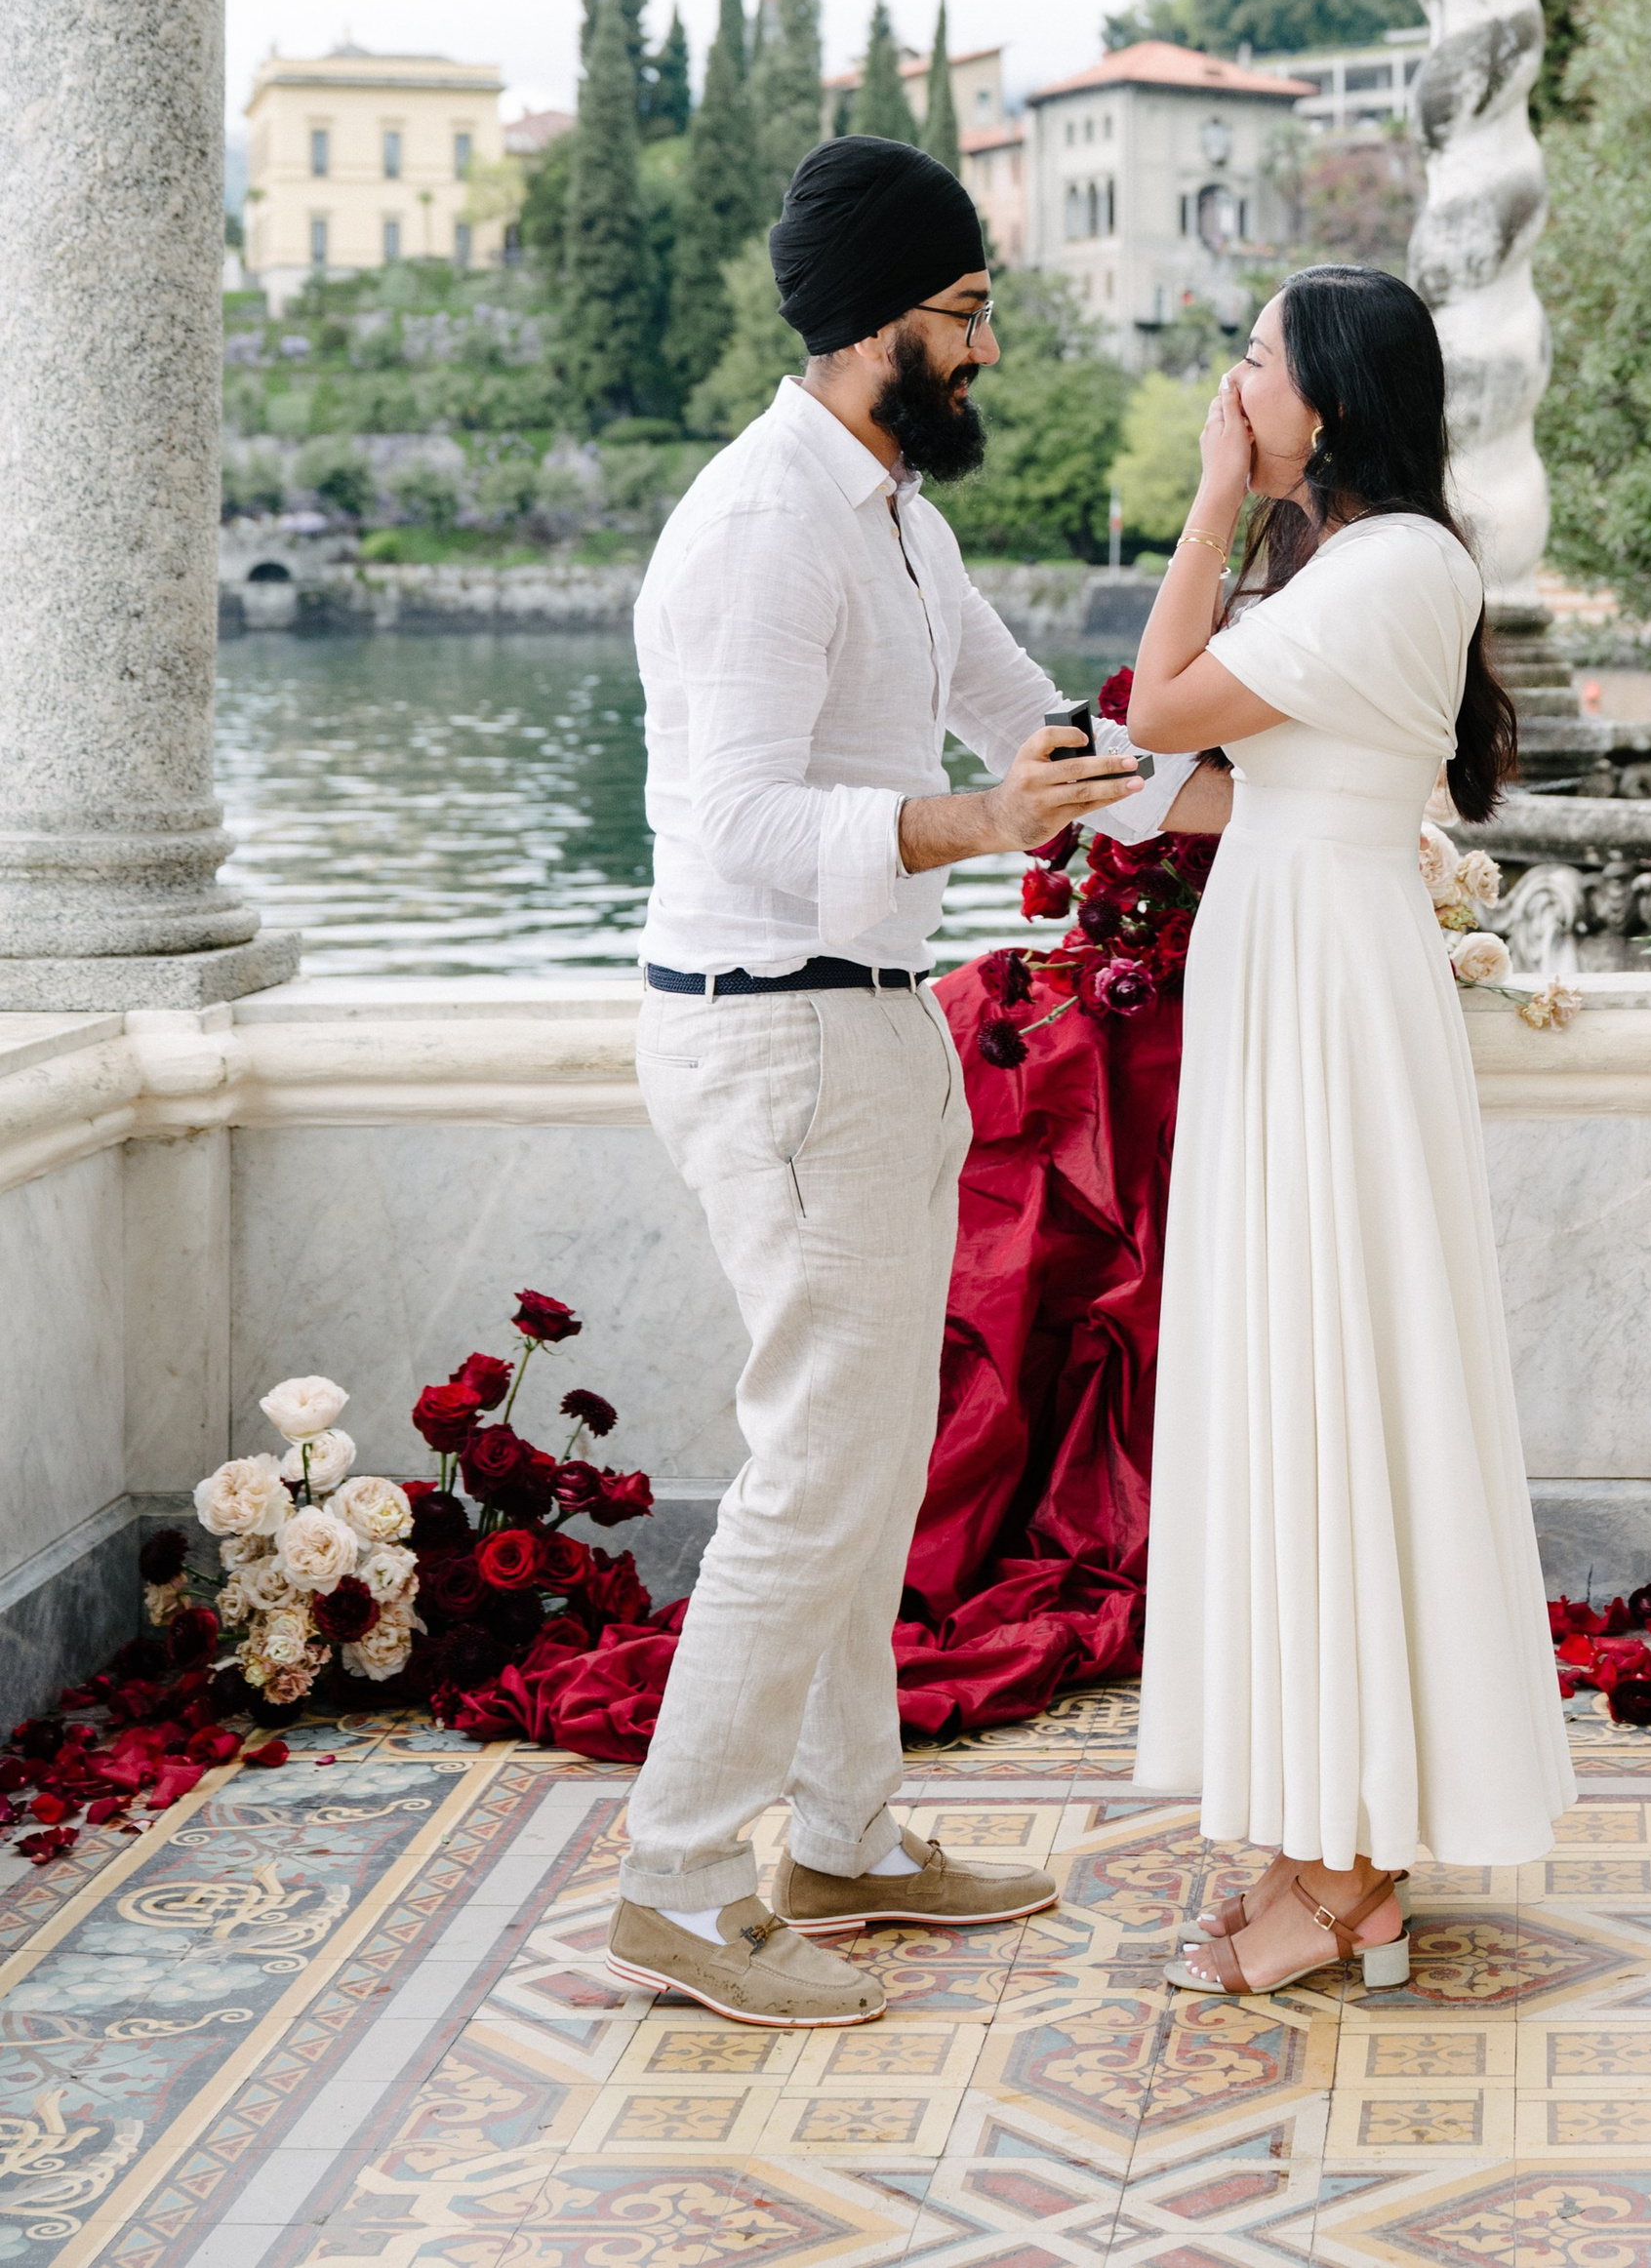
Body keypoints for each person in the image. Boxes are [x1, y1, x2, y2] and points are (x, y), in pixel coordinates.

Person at [606, 135, 1147, 2031]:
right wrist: (977, 821)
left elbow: (1021, 708)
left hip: (865, 1022)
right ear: (873, 326)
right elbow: (734, 820)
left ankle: (840, 1832)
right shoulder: (761, 525)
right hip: (771, 1031)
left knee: (863, 1461)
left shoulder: (890, 509)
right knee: (815, 1472)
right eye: (966, 314)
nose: (984, 350)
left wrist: (1192, 751)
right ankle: (679, 1881)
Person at [1128, 264, 1575, 1999]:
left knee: (1333, 1379)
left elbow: (1167, 708)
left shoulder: (1393, 563)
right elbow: (1236, 775)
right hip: (1296, 958)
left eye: (1256, 361)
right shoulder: (1365, 572)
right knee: (1296, 1381)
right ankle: (1330, 1843)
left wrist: (1207, 499)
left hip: (1322, 984)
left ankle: (1352, 1868)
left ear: (1331, 399)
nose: (1235, 383)